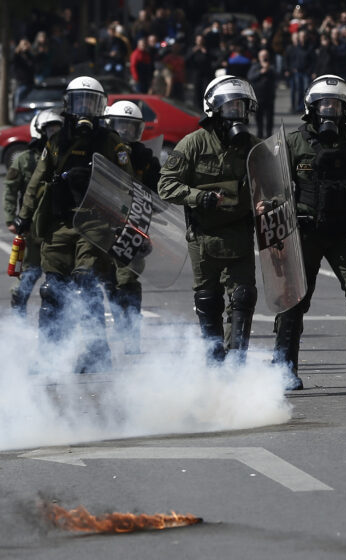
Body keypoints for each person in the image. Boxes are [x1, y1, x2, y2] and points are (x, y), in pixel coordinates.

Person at [259, 75, 346, 390]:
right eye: (325, 104)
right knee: (293, 299)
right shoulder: (292, 142)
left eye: (337, 105)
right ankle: (285, 366)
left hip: (345, 232)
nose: (330, 110)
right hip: (303, 233)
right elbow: (273, 184)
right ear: (311, 107)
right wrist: (268, 210)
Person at [12, 76, 133, 372]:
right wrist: (24, 216)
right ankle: (50, 356)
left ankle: (96, 353)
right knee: (52, 290)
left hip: (94, 223)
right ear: (69, 105)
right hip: (59, 223)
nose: (84, 110)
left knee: (87, 283)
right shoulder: (55, 143)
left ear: (101, 107)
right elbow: (38, 180)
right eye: (79, 102)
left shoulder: (110, 142)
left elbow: (127, 183)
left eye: (90, 103)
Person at [157, 75, 261, 363]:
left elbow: (273, 186)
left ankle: (237, 359)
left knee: (242, 297)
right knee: (208, 299)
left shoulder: (255, 147)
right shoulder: (193, 144)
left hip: (240, 234)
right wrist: (197, 197)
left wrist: (266, 204)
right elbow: (166, 185)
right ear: (214, 109)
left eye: (241, 108)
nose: (236, 114)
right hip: (203, 236)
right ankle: (213, 358)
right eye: (230, 108)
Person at [103, 101, 161, 353]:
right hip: (101, 227)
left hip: (132, 228)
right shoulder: (99, 150)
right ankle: (118, 327)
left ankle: (131, 336)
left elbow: (157, 197)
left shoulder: (145, 158)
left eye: (131, 127)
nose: (125, 132)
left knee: (127, 280)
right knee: (106, 281)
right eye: (120, 126)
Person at [4, 110, 63, 316]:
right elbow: (11, 189)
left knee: (58, 274)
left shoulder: (63, 157)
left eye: (57, 129)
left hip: (57, 225)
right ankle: (18, 314)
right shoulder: (24, 160)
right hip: (31, 226)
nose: (53, 133)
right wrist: (12, 218)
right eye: (49, 129)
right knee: (30, 272)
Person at [247, 48, 278, 138]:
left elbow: (277, 75)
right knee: (258, 118)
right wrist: (260, 72)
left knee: (269, 118)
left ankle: (269, 135)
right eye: (262, 56)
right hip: (258, 96)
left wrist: (268, 68)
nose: (264, 58)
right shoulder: (255, 66)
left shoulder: (272, 67)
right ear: (259, 57)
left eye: (266, 56)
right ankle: (259, 134)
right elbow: (250, 76)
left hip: (269, 97)